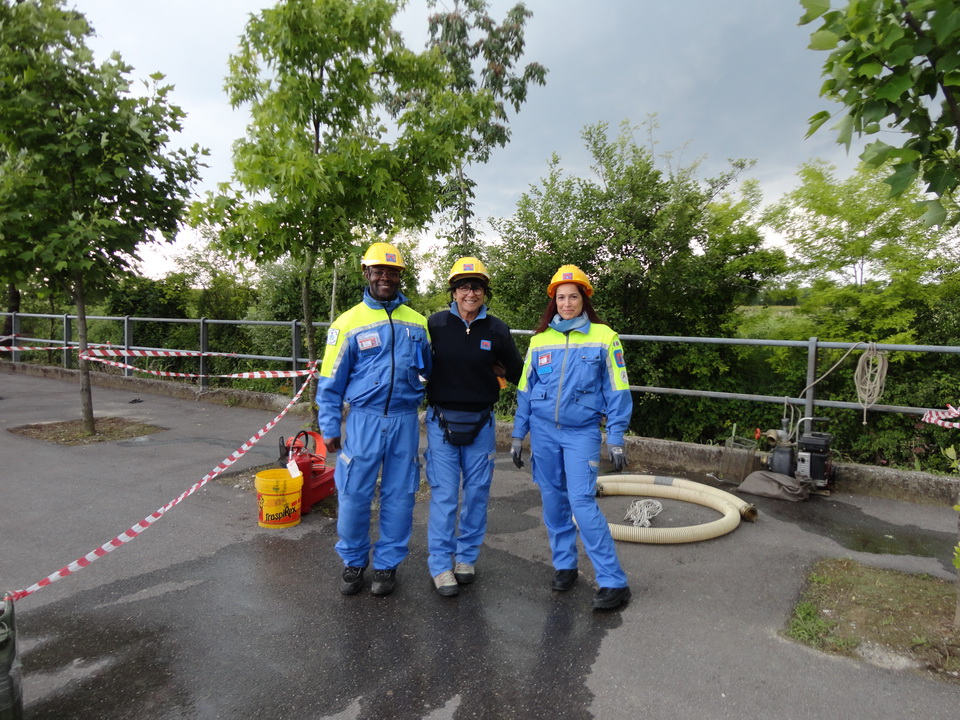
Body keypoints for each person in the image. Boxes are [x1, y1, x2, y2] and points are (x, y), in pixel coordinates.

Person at [510, 264, 633, 611]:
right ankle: (565, 566)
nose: (567, 303)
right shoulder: (539, 341)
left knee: (581, 502)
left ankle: (613, 581)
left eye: (573, 297)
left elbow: (618, 389)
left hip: (581, 433)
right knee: (553, 501)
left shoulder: (604, 337)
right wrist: (518, 434)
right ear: (554, 301)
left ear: (584, 299)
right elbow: (525, 391)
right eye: (561, 297)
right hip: (544, 432)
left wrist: (616, 437)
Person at [316, 242, 431, 597]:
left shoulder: (418, 322)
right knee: (353, 493)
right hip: (364, 421)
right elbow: (330, 381)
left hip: (404, 421)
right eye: (379, 271)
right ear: (366, 273)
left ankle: (387, 565)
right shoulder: (347, 323)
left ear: (400, 277)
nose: (385, 277)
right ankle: (353, 561)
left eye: (392, 272)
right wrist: (329, 426)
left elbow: (433, 370)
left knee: (401, 496)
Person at [425, 257, 524, 597]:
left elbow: (518, 372)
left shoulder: (497, 330)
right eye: (464, 286)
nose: (471, 293)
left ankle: (466, 558)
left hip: (481, 422)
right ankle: (441, 565)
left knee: (477, 494)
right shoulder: (434, 325)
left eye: (477, 287)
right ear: (453, 291)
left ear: (485, 292)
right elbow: (418, 365)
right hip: (441, 422)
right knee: (444, 495)